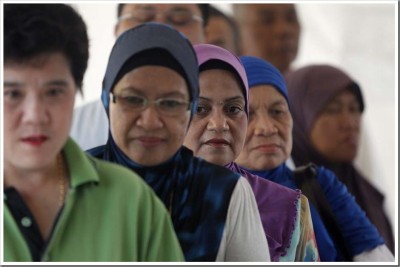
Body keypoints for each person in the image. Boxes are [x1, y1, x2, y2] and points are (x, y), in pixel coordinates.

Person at [3, 4, 184, 262]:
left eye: (54, 92)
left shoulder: (130, 199)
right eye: (12, 94)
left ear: (77, 90)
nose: (35, 115)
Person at [88, 23, 269, 262]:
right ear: (106, 99)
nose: (150, 121)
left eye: (170, 103)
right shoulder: (72, 179)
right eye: (133, 99)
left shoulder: (223, 192)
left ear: (189, 107)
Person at [234, 56, 394, 262]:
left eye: (277, 111)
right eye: (248, 113)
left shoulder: (318, 183)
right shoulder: (207, 198)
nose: (267, 127)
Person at [183, 44, 319, 262]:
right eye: (200, 108)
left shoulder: (288, 207)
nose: (219, 124)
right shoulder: (143, 196)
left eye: (233, 109)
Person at [285, 64, 395, 254]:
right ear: (297, 116)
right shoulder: (286, 200)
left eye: (354, 109)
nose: (350, 123)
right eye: (333, 110)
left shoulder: (368, 195)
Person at [70, 3, 210, 150]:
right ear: (117, 30)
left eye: (179, 19)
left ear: (206, 34)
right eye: (142, 17)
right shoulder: (71, 131)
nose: (159, 27)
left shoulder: (227, 131)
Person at [232, 4, 300, 74]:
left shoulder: (307, 82)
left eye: (291, 18)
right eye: (267, 20)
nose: (283, 30)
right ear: (235, 31)